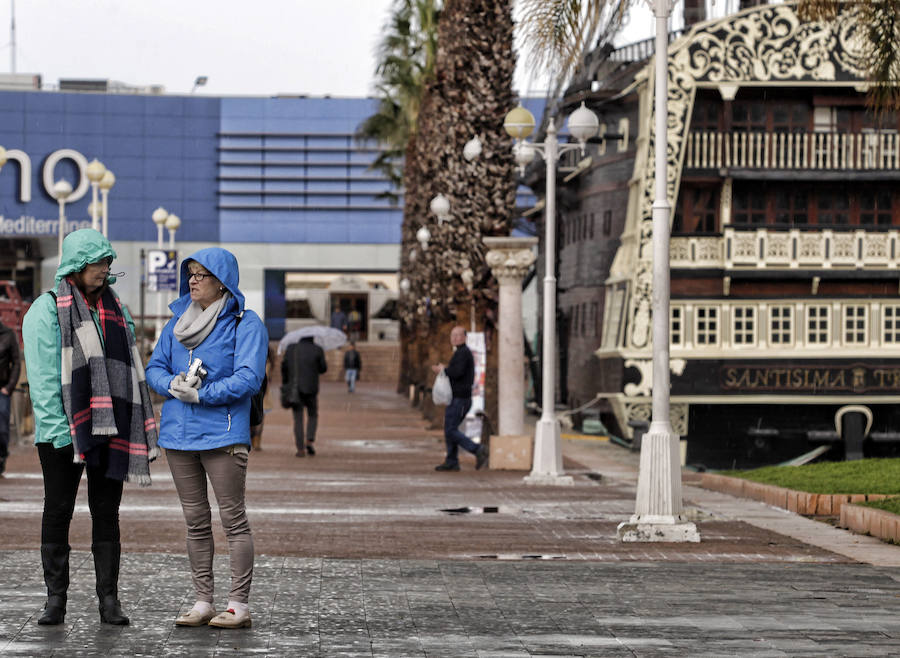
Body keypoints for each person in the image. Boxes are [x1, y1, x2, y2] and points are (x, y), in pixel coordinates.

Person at [22, 228, 159, 627]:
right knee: (58, 509)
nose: (104, 270)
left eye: (107, 263)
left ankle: (109, 600)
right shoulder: (45, 310)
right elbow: (44, 380)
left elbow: (130, 369)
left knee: (106, 512)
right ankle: (56, 599)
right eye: (97, 263)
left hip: (111, 425)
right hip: (64, 430)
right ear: (76, 266)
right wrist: (61, 431)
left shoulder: (117, 308)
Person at [146, 247, 267, 629]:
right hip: (179, 436)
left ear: (222, 282)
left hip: (223, 434)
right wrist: (172, 384)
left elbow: (249, 377)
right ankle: (202, 602)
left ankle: (238, 605)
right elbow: (154, 367)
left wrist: (203, 393)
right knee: (195, 521)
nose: (193, 280)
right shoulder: (176, 323)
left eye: (202, 274)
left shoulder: (245, 324)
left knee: (233, 520)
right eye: (191, 274)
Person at [432, 325, 487, 472]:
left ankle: (477, 449)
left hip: (461, 399)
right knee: (450, 428)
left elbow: (457, 372)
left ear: (464, 337)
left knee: (450, 430)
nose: (455, 338)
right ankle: (452, 461)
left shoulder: (463, 353)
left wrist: (444, 370)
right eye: (452, 335)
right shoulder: (460, 353)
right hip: (457, 398)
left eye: (458, 335)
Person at [281, 335, 326, 457]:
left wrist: (286, 384)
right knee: (313, 415)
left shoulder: (291, 349)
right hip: (311, 388)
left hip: (295, 389)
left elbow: (284, 368)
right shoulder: (317, 349)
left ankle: (300, 448)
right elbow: (323, 369)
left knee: (298, 419)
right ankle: (309, 439)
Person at [0, 317, 21, 477]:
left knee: (2, 428)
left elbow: (16, 363)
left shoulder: (8, 334)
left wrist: (9, 387)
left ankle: (1, 457)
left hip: (2, 390)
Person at [250, 346, 274, 451]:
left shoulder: (252, 357)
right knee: (260, 417)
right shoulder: (269, 361)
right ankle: (257, 441)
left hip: (254, 391)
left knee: (251, 416)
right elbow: (269, 377)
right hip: (264, 392)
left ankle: (252, 439)